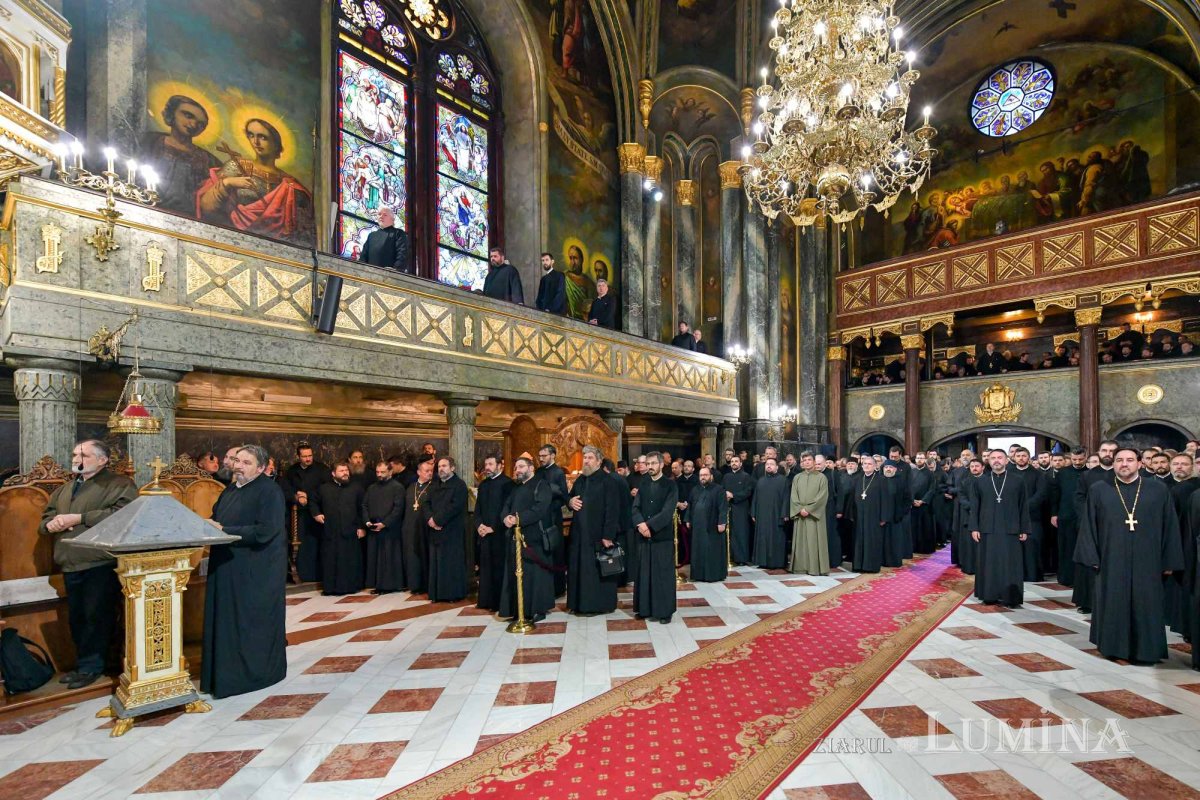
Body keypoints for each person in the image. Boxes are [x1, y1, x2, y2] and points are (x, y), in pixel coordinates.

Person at [38, 440, 137, 689]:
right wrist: (50, 524)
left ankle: (92, 667)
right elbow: (47, 516)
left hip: (99, 562)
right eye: (74, 453)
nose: (76, 458)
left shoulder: (119, 484)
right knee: (79, 619)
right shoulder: (66, 488)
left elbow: (124, 515)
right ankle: (87, 663)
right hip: (70, 561)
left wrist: (80, 517)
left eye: (83, 454)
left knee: (97, 617)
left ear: (102, 460)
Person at [1076, 448, 1182, 663]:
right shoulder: (1099, 489)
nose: (1124, 464)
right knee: (1114, 600)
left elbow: (1170, 525)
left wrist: (1169, 559)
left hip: (1149, 559)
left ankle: (1147, 650)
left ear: (1140, 463)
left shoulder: (1158, 489)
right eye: (1119, 460)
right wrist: (1091, 556)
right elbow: (1088, 524)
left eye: (1130, 460)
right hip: (1111, 557)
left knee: (1147, 602)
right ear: (1114, 464)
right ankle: (1113, 647)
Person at [202, 444, 287, 698]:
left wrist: (222, 530)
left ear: (261, 468)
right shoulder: (230, 489)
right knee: (226, 623)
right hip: (227, 567)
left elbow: (265, 530)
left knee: (249, 625)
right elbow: (218, 517)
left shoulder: (269, 491)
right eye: (237, 460)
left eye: (246, 463)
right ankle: (223, 676)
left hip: (255, 572)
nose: (238, 466)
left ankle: (252, 676)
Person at [197, 118, 313, 244]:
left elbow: (303, 231)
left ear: (276, 143)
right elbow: (206, 206)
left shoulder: (291, 185)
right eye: (251, 136)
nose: (256, 142)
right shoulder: (236, 167)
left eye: (263, 137)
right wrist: (228, 182)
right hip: (231, 241)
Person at [138, 94, 222, 217]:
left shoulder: (209, 160)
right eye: (188, 116)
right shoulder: (149, 142)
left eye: (200, 124)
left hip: (189, 220)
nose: (193, 124)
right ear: (172, 113)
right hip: (145, 211)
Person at [970, 450, 1031, 608]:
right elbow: (975, 506)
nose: (996, 461)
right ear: (988, 462)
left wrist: (1024, 528)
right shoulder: (980, 481)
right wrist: (974, 527)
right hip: (987, 528)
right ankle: (989, 595)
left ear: (1006, 460)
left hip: (1011, 529)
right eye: (993, 458)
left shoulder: (1017, 480)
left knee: (1010, 564)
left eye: (999, 458)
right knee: (989, 562)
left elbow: (1023, 506)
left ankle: (1011, 597)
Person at [500, 456, 556, 622]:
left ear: (531, 468)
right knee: (517, 574)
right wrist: (505, 518)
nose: (518, 470)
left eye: (521, 466)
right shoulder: (516, 488)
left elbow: (539, 509)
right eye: (516, 467)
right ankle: (518, 610)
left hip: (534, 538)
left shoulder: (541, 485)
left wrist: (517, 519)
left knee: (535, 575)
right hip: (515, 537)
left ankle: (537, 609)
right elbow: (506, 506)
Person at [567, 446, 621, 614]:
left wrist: (608, 535)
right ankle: (580, 604)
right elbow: (571, 498)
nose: (586, 461)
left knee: (597, 571)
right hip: (579, 535)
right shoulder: (581, 480)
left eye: (590, 457)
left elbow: (613, 510)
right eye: (585, 457)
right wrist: (570, 502)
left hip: (598, 535)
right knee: (580, 570)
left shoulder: (608, 480)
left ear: (598, 461)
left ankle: (599, 605)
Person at [631, 452, 679, 623]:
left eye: (653, 463)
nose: (649, 466)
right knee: (644, 573)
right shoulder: (643, 484)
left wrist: (649, 526)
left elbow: (667, 512)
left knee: (662, 576)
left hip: (661, 537)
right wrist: (640, 524)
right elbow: (635, 508)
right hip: (643, 536)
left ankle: (664, 612)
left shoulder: (670, 485)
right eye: (647, 463)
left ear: (661, 465)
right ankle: (644, 609)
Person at [1073, 440, 1118, 614]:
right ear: (1099, 453)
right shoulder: (1087, 475)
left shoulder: (1121, 474)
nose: (1108, 453)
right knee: (1088, 563)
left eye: (1112, 451)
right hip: (1090, 527)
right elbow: (1079, 499)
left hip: (1115, 528)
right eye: (1104, 450)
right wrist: (1089, 519)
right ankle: (1087, 602)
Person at [311, 461, 366, 595]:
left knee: (350, 561)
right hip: (331, 531)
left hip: (351, 531)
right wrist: (316, 514)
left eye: (346, 470)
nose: (345, 473)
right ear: (333, 474)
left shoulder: (357, 488)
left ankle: (351, 587)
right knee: (331, 561)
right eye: (341, 471)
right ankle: (331, 588)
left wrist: (361, 527)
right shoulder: (324, 488)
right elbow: (313, 502)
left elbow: (362, 508)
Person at [280, 443, 330, 583]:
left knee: (318, 543)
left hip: (318, 512)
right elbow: (286, 490)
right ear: (298, 456)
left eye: (310, 455)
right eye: (304, 456)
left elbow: (326, 489)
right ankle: (304, 575)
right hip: (299, 515)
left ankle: (319, 574)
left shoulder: (322, 469)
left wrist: (308, 496)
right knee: (302, 545)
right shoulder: (292, 470)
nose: (308, 459)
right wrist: (296, 497)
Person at [425, 457, 469, 602]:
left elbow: (455, 507)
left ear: (452, 468)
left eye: (444, 466)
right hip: (435, 530)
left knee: (451, 563)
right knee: (435, 562)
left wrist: (438, 520)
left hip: (451, 530)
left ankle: (452, 594)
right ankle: (436, 594)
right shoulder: (434, 485)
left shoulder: (459, 485)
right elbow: (426, 503)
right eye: (439, 467)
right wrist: (430, 519)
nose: (441, 469)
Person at [475, 455, 514, 611]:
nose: (488, 467)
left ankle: (499, 602)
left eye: (491, 464)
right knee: (486, 568)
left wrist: (494, 528)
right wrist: (479, 525)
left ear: (500, 466)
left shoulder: (508, 484)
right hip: (484, 533)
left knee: (499, 568)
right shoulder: (483, 485)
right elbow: (478, 508)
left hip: (500, 534)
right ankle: (486, 601)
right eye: (486, 464)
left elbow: (508, 509)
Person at [363, 461, 405, 594]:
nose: (379, 475)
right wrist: (367, 522)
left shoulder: (397, 487)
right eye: (377, 472)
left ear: (390, 472)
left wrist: (385, 523)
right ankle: (377, 585)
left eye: (383, 472)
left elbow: (398, 509)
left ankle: (389, 586)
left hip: (389, 530)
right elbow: (364, 505)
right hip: (373, 528)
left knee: (388, 558)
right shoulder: (371, 488)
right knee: (375, 558)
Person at [1011, 446, 1050, 581]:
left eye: (1024, 456)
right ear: (1014, 458)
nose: (1021, 458)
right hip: (1012, 516)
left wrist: (1025, 507)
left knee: (1033, 547)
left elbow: (1041, 494)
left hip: (1033, 516)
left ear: (1028, 457)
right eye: (1018, 456)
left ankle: (1033, 574)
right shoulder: (1008, 473)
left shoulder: (1038, 474)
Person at [536, 445, 570, 596]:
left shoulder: (558, 472)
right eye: (540, 455)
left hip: (553, 518)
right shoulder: (538, 471)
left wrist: (549, 506)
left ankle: (557, 588)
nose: (541, 458)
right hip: (539, 518)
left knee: (555, 552)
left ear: (553, 456)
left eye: (544, 455)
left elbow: (563, 496)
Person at [790, 452, 830, 575]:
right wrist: (799, 509)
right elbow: (793, 496)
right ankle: (800, 567)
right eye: (804, 460)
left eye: (809, 460)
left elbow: (822, 496)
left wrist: (809, 509)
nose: (807, 462)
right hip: (800, 513)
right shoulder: (797, 478)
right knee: (800, 541)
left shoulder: (821, 477)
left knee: (815, 541)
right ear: (802, 463)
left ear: (814, 462)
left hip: (814, 516)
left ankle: (816, 568)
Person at [1052, 448, 1087, 588]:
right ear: (1070, 458)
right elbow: (1055, 494)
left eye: (1080, 459)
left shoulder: (1089, 473)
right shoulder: (1062, 473)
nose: (1077, 462)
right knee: (1065, 547)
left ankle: (1080, 577)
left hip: (1083, 516)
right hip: (1065, 515)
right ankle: (1065, 577)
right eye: (1074, 459)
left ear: (1085, 458)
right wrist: (1054, 513)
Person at [686, 466, 728, 582]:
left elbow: (723, 508)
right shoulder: (695, 489)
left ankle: (712, 575)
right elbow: (690, 506)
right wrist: (688, 520)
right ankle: (698, 575)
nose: (703, 477)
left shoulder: (719, 489)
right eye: (701, 475)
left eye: (705, 475)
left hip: (713, 526)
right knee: (698, 550)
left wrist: (722, 522)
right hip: (698, 528)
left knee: (711, 551)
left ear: (711, 476)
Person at [403, 458, 435, 595]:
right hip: (409, 527)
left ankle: (425, 585)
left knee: (424, 555)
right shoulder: (411, 487)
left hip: (425, 528)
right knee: (411, 556)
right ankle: (414, 584)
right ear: (418, 472)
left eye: (431, 471)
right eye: (426, 471)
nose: (429, 473)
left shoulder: (433, 487)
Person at [751, 457, 789, 569]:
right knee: (763, 538)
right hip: (762, 515)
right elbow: (755, 498)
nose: (769, 466)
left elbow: (786, 498)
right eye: (767, 464)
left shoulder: (783, 480)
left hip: (777, 515)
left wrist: (785, 514)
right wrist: (753, 513)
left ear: (777, 467)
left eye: (772, 464)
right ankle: (763, 561)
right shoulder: (761, 481)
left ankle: (777, 562)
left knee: (776, 537)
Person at [851, 456, 888, 573]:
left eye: (869, 464)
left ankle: (871, 566)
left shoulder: (881, 480)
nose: (866, 466)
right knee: (859, 540)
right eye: (865, 464)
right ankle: (858, 565)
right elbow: (852, 498)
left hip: (874, 516)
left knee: (871, 540)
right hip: (859, 516)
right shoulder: (858, 478)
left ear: (875, 466)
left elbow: (885, 500)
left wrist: (883, 517)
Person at [722, 455, 755, 565]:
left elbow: (748, 491)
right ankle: (729, 556)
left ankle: (741, 558)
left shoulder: (746, 476)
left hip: (741, 508)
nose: (734, 463)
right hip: (728, 508)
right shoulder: (726, 476)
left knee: (741, 533)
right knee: (729, 532)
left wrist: (733, 495)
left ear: (741, 463)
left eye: (736, 461)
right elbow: (721, 489)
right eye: (732, 461)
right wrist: (725, 495)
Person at [358, 207, 411, 273]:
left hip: (390, 277)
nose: (381, 216)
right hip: (369, 275)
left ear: (392, 219)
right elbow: (363, 256)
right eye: (379, 214)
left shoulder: (398, 233)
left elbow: (403, 254)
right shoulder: (371, 236)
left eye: (385, 215)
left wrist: (396, 270)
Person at [910, 453, 937, 554]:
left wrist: (923, 500)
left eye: (921, 458)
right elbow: (908, 488)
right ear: (915, 460)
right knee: (914, 528)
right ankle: (913, 548)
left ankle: (925, 549)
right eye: (918, 458)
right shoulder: (911, 472)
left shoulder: (930, 473)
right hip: (913, 504)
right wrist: (912, 500)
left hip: (925, 505)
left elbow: (932, 489)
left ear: (925, 460)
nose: (919, 460)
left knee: (925, 527)